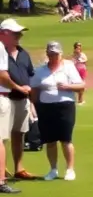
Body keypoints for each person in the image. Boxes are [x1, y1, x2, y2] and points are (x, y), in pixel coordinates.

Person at [30, 42, 83, 181]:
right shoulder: (40, 70)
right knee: (50, 140)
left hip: (65, 106)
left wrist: (67, 86)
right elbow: (34, 89)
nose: (53, 56)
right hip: (46, 107)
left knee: (66, 139)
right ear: (47, 54)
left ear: (61, 54)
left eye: (56, 54)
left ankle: (70, 169)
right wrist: (33, 105)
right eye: (51, 54)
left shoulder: (69, 67)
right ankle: (53, 169)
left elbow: (81, 85)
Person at [1, 19, 34, 180]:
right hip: (6, 99)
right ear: (5, 33)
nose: (19, 35)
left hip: (22, 99)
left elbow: (30, 76)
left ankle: (18, 168)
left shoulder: (23, 53)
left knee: (19, 134)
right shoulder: (1, 53)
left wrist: (31, 99)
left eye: (20, 33)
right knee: (2, 137)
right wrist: (19, 87)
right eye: (16, 33)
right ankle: (2, 169)